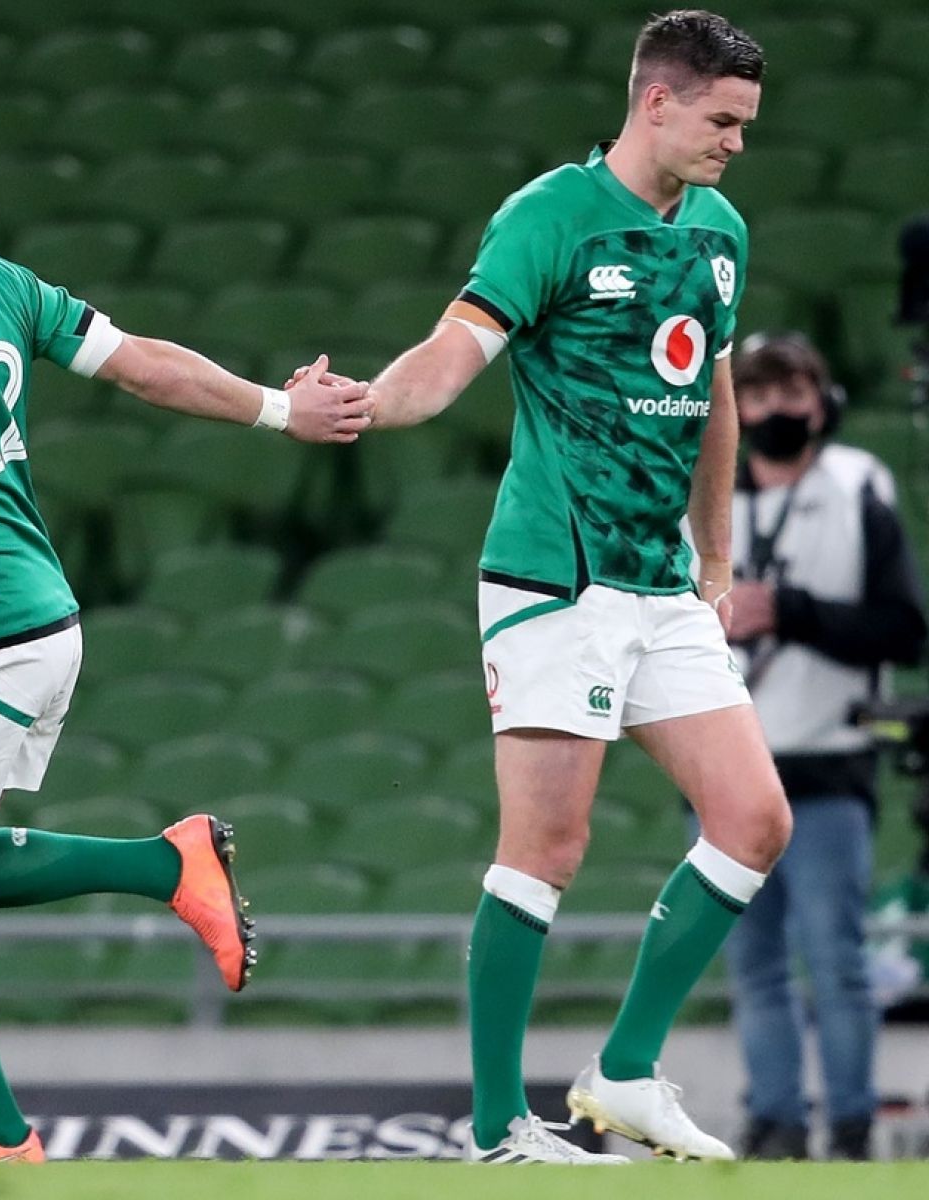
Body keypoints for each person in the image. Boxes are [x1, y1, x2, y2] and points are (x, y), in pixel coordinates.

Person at [0, 100, 372, 1165]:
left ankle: (1, 1135)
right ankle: (167, 865)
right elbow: (141, 362)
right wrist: (279, 411)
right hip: (34, 619)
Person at [293, 9, 784, 1165]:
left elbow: (713, 398)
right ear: (656, 101)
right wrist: (367, 401)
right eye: (723, 121)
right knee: (547, 847)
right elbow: (452, 354)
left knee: (755, 820)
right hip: (556, 579)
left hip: (661, 582)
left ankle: (625, 1073)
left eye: (747, 125)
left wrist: (716, 557)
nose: (736, 144)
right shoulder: (550, 217)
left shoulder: (720, 230)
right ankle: (497, 1128)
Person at [719, 332, 926, 1160]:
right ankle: (773, 1124)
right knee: (754, 966)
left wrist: (790, 611)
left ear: (823, 402)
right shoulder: (702, 491)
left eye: (792, 391)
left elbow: (904, 628)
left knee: (836, 962)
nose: (776, 408)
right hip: (726, 770)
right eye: (758, 393)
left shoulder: (857, 483)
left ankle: (850, 1126)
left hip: (829, 763)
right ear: (736, 407)